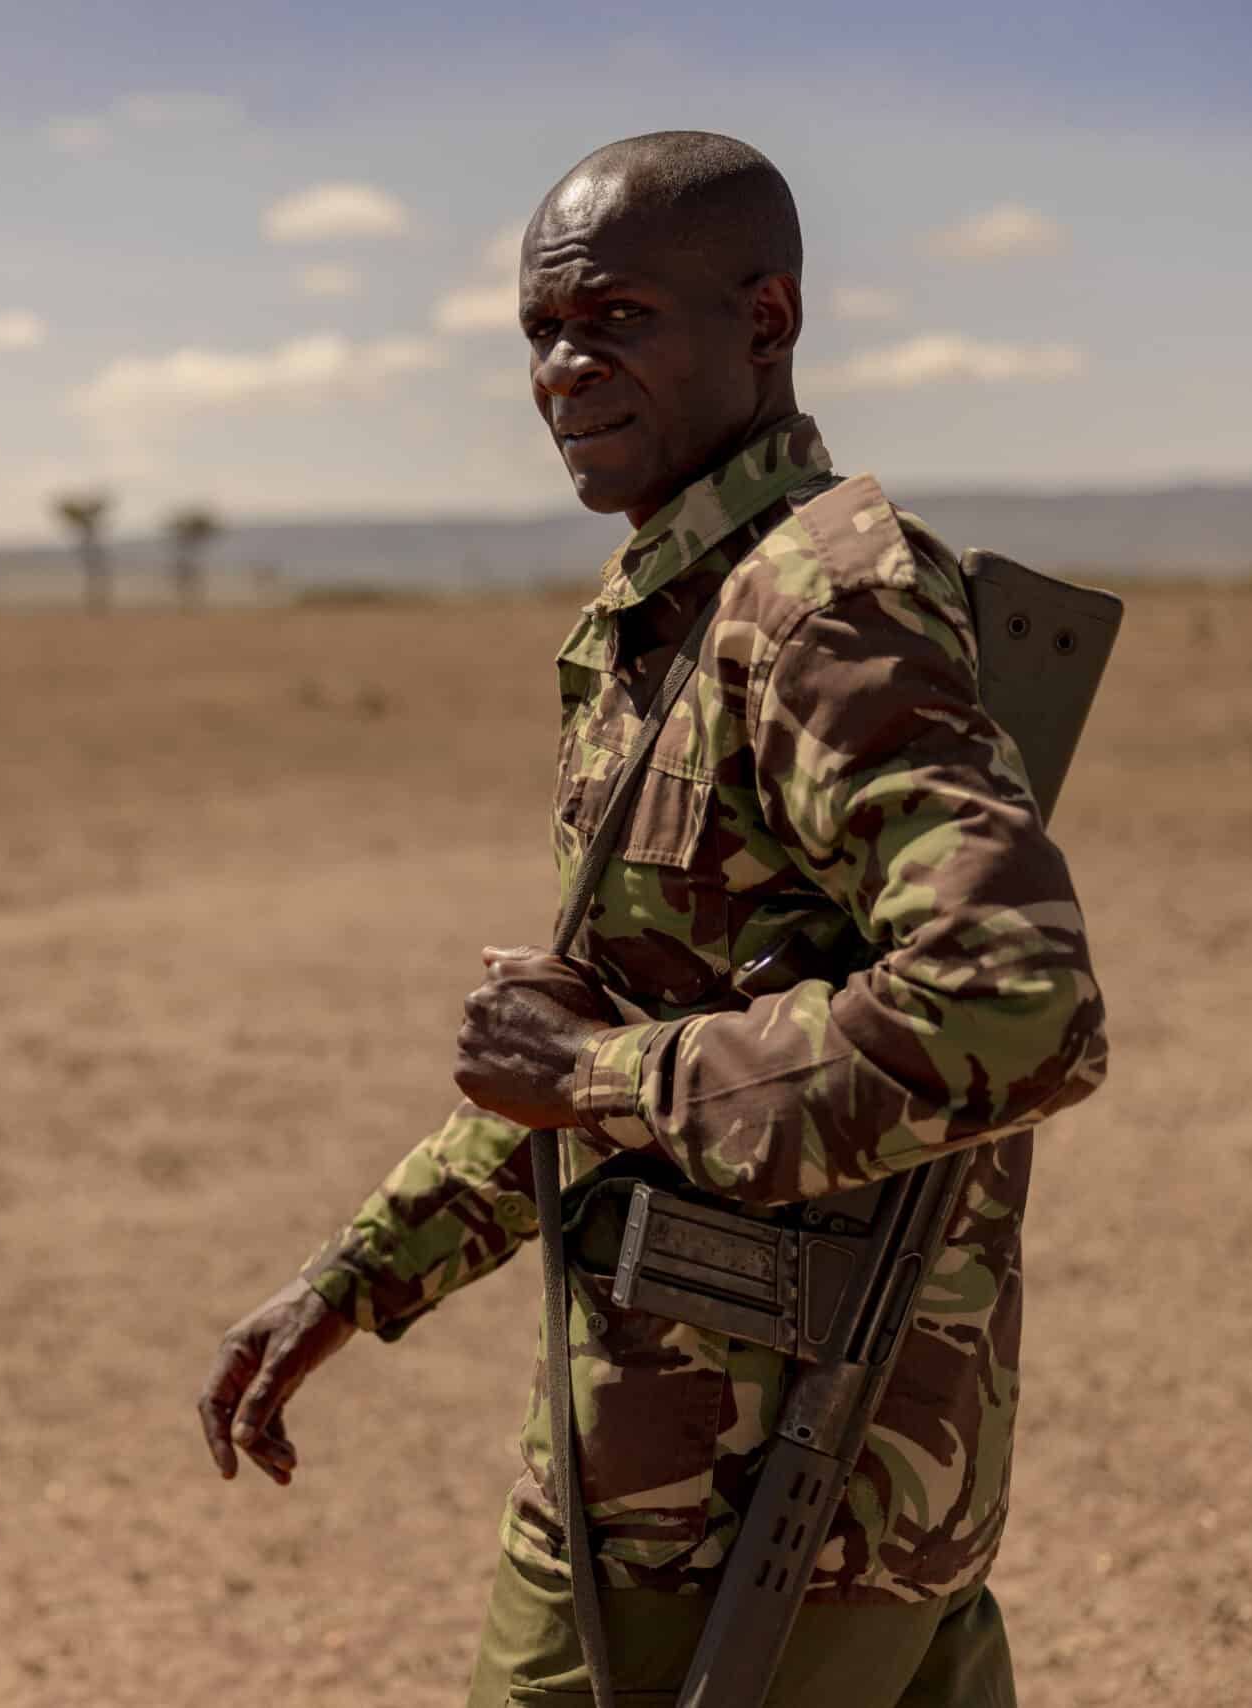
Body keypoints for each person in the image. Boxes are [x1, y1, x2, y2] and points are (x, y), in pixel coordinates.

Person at [196, 131, 1107, 1707]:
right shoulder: (683, 615)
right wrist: (358, 1277)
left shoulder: (820, 607)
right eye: (541, 332)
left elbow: (1017, 1001)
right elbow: (603, 1036)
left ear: (768, 319)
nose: (562, 369)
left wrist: (604, 1076)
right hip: (780, 1479)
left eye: (614, 318)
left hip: (756, 1508)